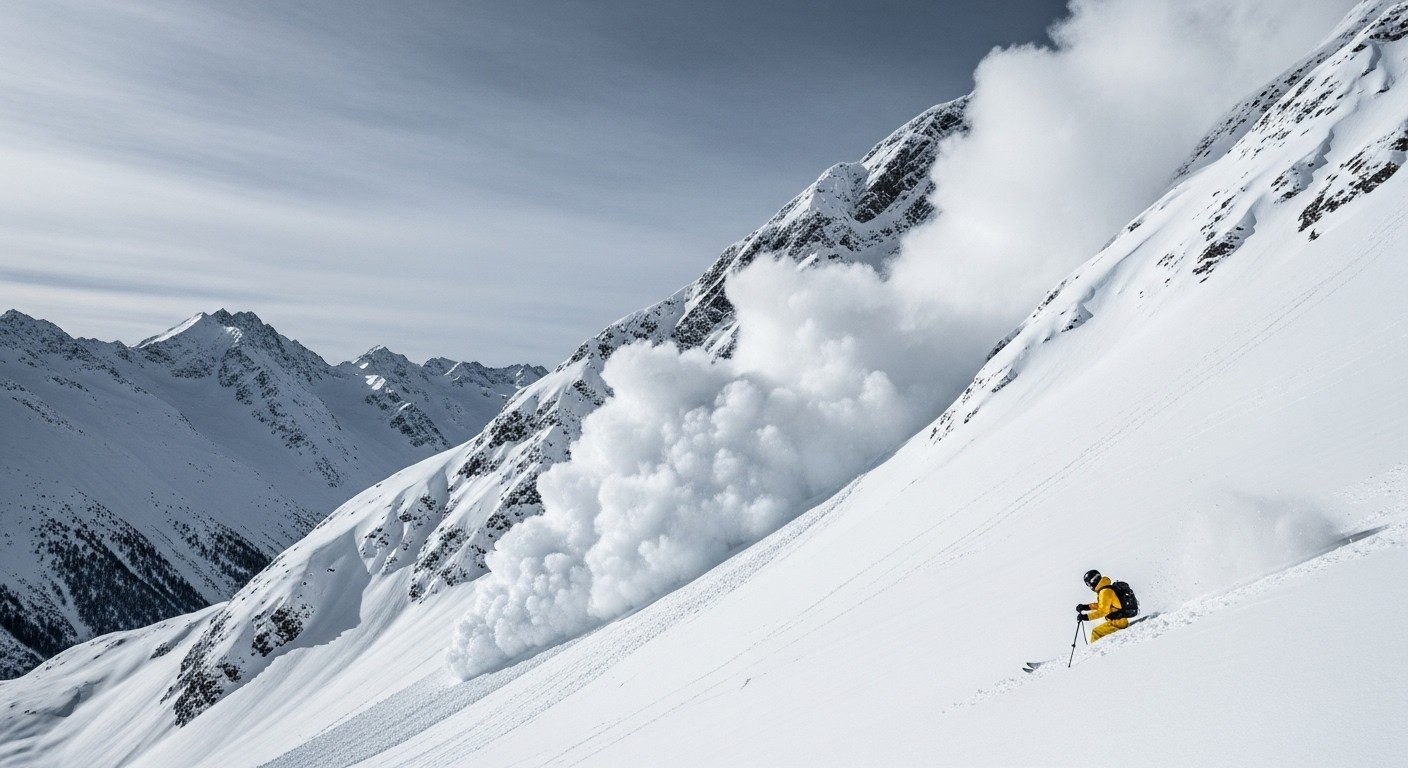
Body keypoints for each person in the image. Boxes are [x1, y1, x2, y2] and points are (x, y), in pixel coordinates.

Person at [1077, 569, 1128, 642]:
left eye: (1088, 584)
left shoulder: (1105, 592)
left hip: (1117, 623)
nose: (1090, 587)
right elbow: (1103, 605)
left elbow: (1103, 611)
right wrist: (1086, 607)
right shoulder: (1105, 589)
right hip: (1119, 621)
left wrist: (1086, 617)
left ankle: (1093, 652)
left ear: (1093, 581)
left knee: (1096, 632)